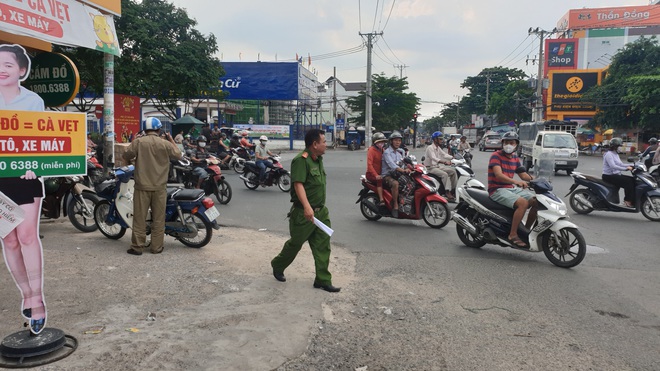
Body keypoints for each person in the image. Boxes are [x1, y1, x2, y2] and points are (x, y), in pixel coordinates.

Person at [0, 44, 48, 335]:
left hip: (26, 177)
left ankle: (37, 298)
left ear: (21, 70)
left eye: (7, 64)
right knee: (10, 241)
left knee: (27, 236)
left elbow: (42, 139)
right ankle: (25, 293)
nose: (1, 68)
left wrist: (36, 163)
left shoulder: (33, 102)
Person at [271, 129, 340, 293]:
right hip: (304, 213)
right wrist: (308, 208)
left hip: (321, 212)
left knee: (323, 246)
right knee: (295, 244)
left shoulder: (318, 159)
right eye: (323, 141)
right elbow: (298, 184)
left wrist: (316, 208)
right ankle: (278, 264)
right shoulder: (301, 160)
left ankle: (322, 280)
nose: (326, 144)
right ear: (314, 144)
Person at [123, 118, 182, 255]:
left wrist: (134, 140)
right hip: (160, 187)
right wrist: (171, 140)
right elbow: (178, 155)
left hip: (142, 186)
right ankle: (156, 247)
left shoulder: (138, 142)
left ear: (145, 129)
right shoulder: (165, 143)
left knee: (139, 218)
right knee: (158, 219)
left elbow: (126, 155)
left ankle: (137, 247)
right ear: (158, 129)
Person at [487, 131, 537, 248]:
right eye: (506, 142)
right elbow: (499, 175)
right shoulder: (496, 156)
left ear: (516, 145)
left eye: (511, 142)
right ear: (502, 144)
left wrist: (536, 181)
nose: (508, 145)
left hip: (509, 188)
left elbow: (523, 175)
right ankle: (513, 234)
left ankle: (526, 230)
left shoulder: (514, 157)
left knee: (536, 201)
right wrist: (516, 182)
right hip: (497, 189)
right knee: (523, 203)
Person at [381, 131, 410, 218]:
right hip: (387, 175)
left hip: (397, 174)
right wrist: (402, 170)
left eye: (399, 141)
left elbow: (402, 163)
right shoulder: (387, 152)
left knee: (410, 183)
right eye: (396, 140)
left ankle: (404, 201)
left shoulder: (398, 153)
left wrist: (408, 168)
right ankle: (395, 206)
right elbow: (392, 165)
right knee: (395, 184)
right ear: (391, 141)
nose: (398, 142)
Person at [423, 131, 458, 201]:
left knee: (453, 171)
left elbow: (444, 154)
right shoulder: (430, 148)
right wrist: (445, 162)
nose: (442, 140)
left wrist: (453, 158)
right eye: (440, 139)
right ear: (435, 139)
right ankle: (447, 192)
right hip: (430, 168)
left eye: (442, 139)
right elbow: (434, 158)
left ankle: (453, 190)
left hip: (437, 166)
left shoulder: (438, 148)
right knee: (444, 174)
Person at [602, 137, 635, 208]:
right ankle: (626, 201)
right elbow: (613, 166)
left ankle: (632, 200)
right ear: (615, 146)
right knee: (628, 182)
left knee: (633, 180)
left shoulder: (615, 154)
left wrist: (633, 165)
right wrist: (625, 168)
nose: (620, 148)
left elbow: (621, 164)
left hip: (616, 174)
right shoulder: (609, 154)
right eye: (619, 146)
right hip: (609, 176)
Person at [366, 132, 388, 205]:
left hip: (381, 173)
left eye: (382, 142)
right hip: (371, 175)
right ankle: (381, 200)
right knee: (380, 181)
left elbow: (387, 159)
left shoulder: (382, 150)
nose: (381, 143)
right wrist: (376, 175)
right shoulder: (371, 150)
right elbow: (369, 165)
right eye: (380, 142)